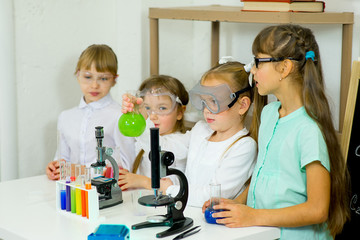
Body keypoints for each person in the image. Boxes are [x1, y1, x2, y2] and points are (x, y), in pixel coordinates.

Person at [203, 24, 350, 239]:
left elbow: (317, 210)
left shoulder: (308, 129)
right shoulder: (270, 113)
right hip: (265, 232)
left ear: (284, 68)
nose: (251, 70)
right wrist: (237, 203)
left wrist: (253, 216)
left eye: (258, 62)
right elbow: (263, 175)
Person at [163, 60, 266, 207]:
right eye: (204, 101)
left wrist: (171, 190)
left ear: (242, 105)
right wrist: (140, 119)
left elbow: (214, 196)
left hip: (215, 226)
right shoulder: (201, 130)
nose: (206, 110)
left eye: (215, 101)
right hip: (188, 213)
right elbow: (168, 147)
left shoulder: (244, 146)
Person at [46, 44, 136, 180]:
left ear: (114, 80)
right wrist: (55, 168)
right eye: (88, 77)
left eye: (103, 78)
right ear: (78, 75)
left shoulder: (120, 116)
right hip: (72, 189)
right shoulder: (66, 117)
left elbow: (126, 167)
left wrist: (79, 170)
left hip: (104, 193)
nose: (94, 85)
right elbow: (62, 158)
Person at [118, 75, 189, 190]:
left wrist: (141, 181)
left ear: (180, 112)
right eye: (147, 108)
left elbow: (173, 187)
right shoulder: (141, 143)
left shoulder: (182, 143)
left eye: (162, 108)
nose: (153, 116)